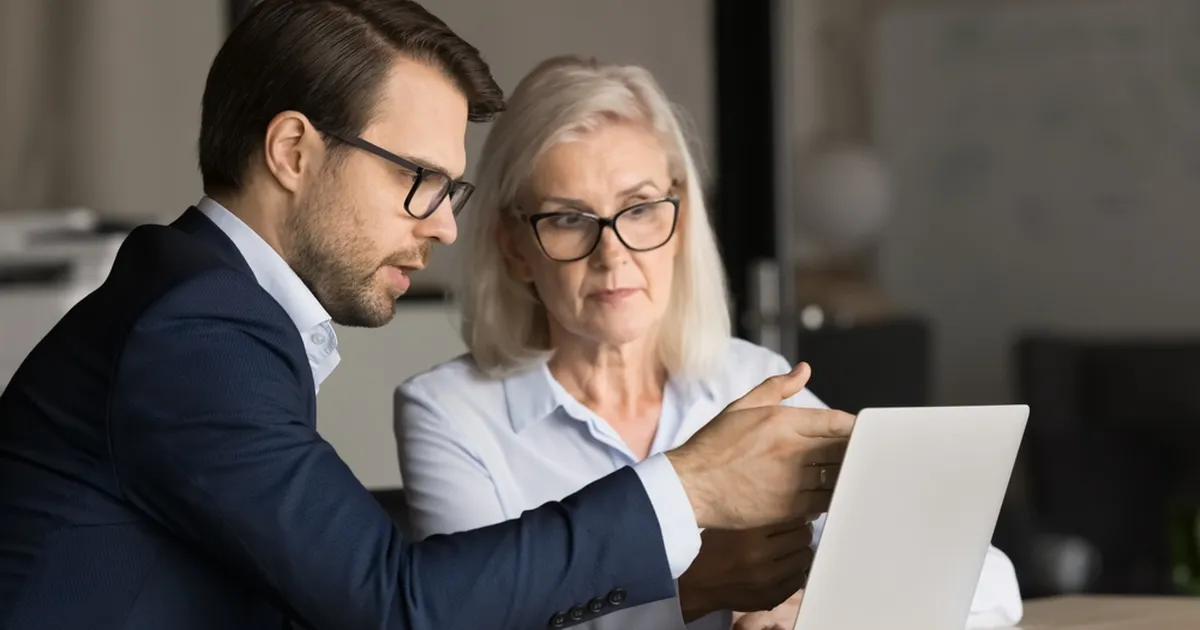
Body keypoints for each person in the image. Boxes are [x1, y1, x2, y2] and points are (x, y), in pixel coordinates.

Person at [0, 2, 856, 629]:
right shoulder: (195, 335)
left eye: (452, 191)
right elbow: (397, 604)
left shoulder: (208, 309)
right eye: (418, 180)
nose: (445, 225)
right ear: (294, 152)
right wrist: (692, 486)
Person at [394, 56, 1024, 630]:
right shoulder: (450, 413)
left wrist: (816, 613)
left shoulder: (753, 380)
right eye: (568, 218)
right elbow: (465, 622)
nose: (612, 254)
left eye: (640, 208)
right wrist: (692, 594)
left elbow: (984, 579)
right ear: (514, 246)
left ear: (681, 218)